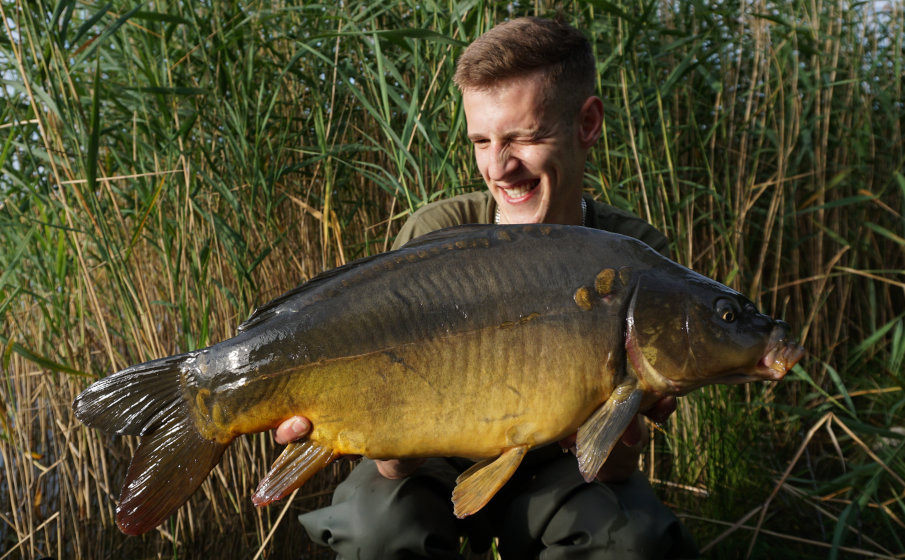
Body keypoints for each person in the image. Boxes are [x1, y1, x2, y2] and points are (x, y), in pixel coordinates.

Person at [275, 17, 699, 559]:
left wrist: (625, 422)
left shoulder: (635, 256)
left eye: (525, 137)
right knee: (377, 527)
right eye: (481, 140)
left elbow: (614, 467)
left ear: (587, 123)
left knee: (631, 541)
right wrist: (382, 443)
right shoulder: (435, 237)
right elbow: (390, 462)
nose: (499, 167)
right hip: (431, 456)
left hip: (560, 469)